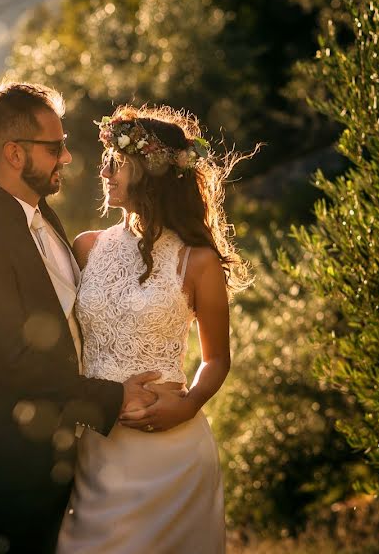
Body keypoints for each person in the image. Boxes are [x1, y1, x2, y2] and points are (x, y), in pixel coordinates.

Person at [0, 82, 174, 554]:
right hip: (15, 463)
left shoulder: (43, 216)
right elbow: (16, 363)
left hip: (69, 453)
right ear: (14, 153)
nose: (68, 157)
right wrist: (112, 397)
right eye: (55, 147)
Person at [56, 104, 252, 554]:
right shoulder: (87, 248)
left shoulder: (198, 261)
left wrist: (190, 405)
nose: (104, 173)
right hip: (99, 448)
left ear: (152, 172)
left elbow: (217, 358)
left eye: (117, 163)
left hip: (172, 454)